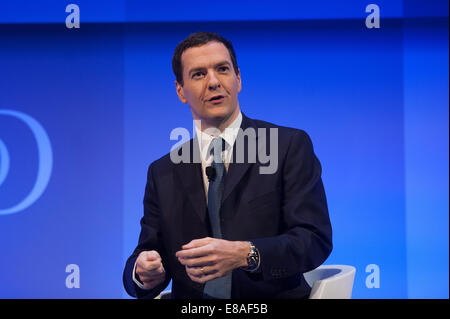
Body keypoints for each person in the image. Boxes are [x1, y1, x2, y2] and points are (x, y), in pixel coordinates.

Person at [123, 32, 332, 299]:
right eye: (198, 74)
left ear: (238, 79)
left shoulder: (287, 146)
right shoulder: (163, 171)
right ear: (180, 91)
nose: (213, 82)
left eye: (222, 69)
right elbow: (147, 253)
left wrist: (247, 254)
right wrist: (143, 272)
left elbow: (314, 239)